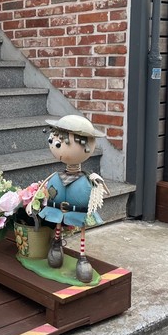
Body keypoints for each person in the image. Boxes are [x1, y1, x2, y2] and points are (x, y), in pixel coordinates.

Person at [37, 114, 109, 283]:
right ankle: (56, 244)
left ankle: (82, 256)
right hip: (57, 210)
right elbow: (43, 189)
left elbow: (102, 192)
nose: (55, 146)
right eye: (53, 142)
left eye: (60, 143)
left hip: (78, 211)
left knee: (82, 229)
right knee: (58, 225)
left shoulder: (89, 179)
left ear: (87, 146)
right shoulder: (56, 177)